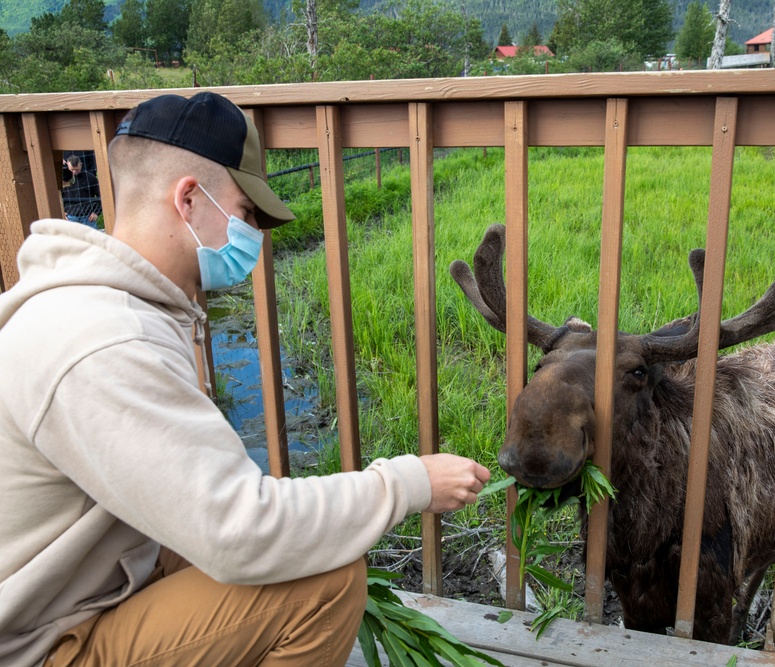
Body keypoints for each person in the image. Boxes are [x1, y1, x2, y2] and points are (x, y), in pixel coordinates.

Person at [0, 91, 491, 667]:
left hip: (71, 592)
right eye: (246, 212)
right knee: (324, 581)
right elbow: (240, 531)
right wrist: (409, 483)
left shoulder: (111, 307)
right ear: (188, 198)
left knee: (277, 553)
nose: (255, 233)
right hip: (38, 644)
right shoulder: (109, 342)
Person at [61, 155, 102, 229]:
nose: (74, 172)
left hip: (88, 217)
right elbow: (57, 197)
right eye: (72, 169)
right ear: (67, 165)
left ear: (81, 165)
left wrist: (97, 212)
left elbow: (101, 195)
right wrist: (62, 211)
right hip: (70, 217)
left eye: (77, 169)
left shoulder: (90, 178)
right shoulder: (62, 179)